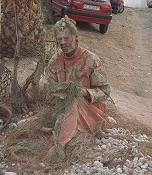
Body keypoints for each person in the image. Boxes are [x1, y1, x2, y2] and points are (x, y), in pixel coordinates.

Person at [43, 16, 111, 163]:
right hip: (62, 107)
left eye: (66, 38)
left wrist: (84, 92)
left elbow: (105, 92)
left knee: (73, 103)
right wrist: (55, 92)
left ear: (76, 37)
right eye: (59, 39)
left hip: (91, 109)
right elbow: (48, 87)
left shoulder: (91, 60)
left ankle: (59, 147)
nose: (62, 42)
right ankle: (61, 134)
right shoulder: (55, 61)